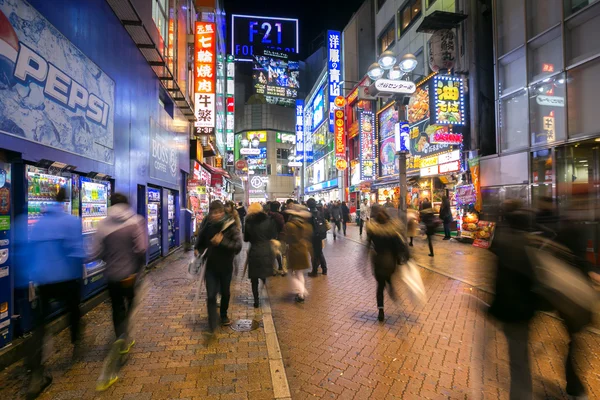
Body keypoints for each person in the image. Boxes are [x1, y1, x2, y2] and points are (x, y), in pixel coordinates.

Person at [17, 188, 85, 399]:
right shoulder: (72, 222)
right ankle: (76, 345)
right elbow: (77, 251)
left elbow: (25, 253)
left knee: (41, 324)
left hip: (43, 281)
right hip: (67, 278)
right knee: (73, 312)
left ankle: (36, 372)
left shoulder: (35, 224)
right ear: (65, 202)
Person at [91, 193, 148, 391]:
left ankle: (120, 336)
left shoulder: (102, 224)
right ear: (127, 203)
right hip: (130, 275)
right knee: (131, 302)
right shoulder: (136, 220)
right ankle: (125, 334)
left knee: (116, 307)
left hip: (111, 275)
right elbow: (141, 248)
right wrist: (138, 269)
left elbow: (96, 252)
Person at [488, 202, 538, 399]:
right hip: (525, 310)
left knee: (517, 358)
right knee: (520, 358)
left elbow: (499, 281)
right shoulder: (530, 243)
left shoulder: (502, 243)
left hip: (511, 309)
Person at [195, 200, 242, 332]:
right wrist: (197, 249)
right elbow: (200, 241)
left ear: (223, 212)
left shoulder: (231, 226)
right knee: (211, 295)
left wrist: (222, 241)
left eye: (218, 212)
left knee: (225, 293)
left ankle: (223, 315)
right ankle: (212, 320)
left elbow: (238, 247)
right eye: (213, 213)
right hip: (210, 266)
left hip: (226, 267)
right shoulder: (207, 225)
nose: (215, 215)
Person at [366, 207, 408, 322]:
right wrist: (404, 258)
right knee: (388, 279)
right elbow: (401, 247)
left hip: (378, 261)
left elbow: (367, 246)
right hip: (390, 263)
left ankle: (381, 311)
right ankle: (392, 291)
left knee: (380, 287)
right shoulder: (393, 231)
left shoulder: (373, 231)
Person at [244, 203, 277, 308]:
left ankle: (256, 301)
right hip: (267, 250)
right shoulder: (269, 220)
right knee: (263, 274)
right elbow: (273, 235)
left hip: (254, 251)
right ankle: (265, 291)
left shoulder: (248, 222)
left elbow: (246, 238)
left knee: (254, 278)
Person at [283, 204, 314, 302]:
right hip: (303, 250)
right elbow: (309, 235)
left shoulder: (289, 225)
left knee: (290, 273)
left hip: (294, 251)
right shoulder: (307, 225)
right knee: (300, 273)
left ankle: (302, 290)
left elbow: (286, 238)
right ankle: (301, 295)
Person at [307, 198, 328, 276]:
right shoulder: (319, 213)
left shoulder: (309, 214)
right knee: (319, 252)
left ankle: (315, 271)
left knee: (316, 253)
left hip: (313, 236)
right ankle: (324, 269)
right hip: (320, 235)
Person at [267, 201, 286, 276]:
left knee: (272, 253)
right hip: (278, 236)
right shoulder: (279, 216)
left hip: (270, 236)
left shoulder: (268, 215)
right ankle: (281, 267)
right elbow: (282, 226)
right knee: (279, 252)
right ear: (278, 207)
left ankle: (273, 270)